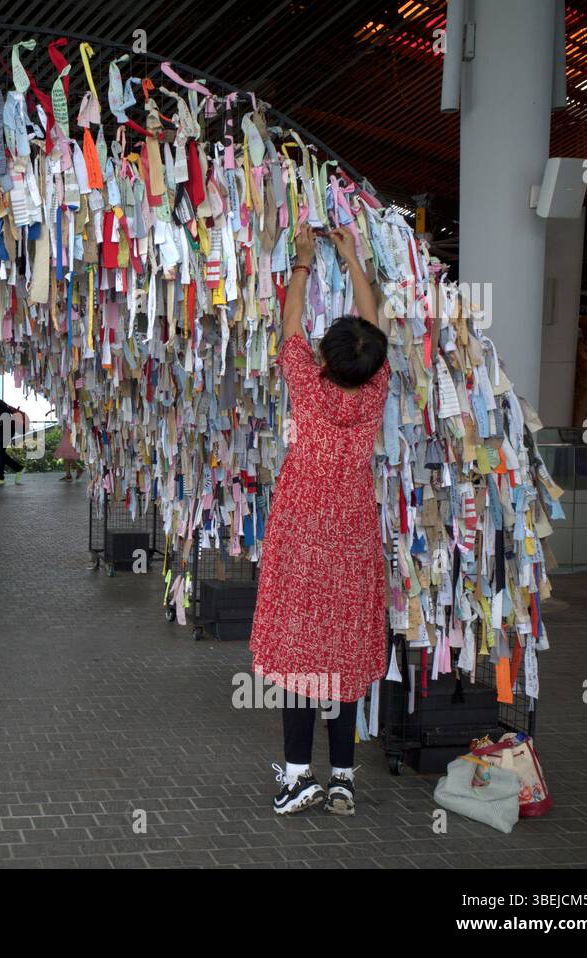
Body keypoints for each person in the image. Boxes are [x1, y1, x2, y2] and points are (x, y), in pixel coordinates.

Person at [249, 224, 390, 817]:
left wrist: (305, 264)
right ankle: (343, 780)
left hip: (303, 533)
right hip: (353, 535)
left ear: (325, 358)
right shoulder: (375, 389)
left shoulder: (308, 387)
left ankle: (298, 778)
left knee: (300, 654)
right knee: (342, 657)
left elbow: (289, 328)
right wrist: (353, 257)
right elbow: (372, 322)